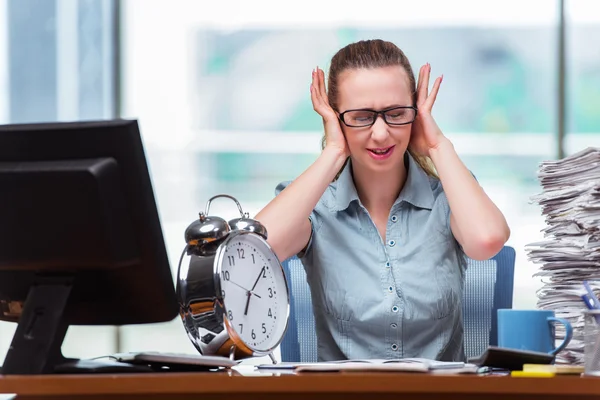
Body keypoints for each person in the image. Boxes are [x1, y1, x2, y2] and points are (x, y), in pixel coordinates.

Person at [255, 39, 510, 362]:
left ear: (415, 114)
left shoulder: (451, 197)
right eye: (361, 117)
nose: (380, 134)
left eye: (395, 113)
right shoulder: (315, 208)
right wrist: (333, 151)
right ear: (335, 118)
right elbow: (254, 253)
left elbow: (486, 240)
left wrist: (437, 145)